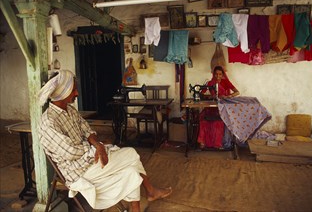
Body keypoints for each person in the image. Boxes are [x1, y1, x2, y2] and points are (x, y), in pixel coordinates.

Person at [37, 70, 172, 212]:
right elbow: (71, 152)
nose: (77, 93)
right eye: (74, 90)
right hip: (79, 171)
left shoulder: (70, 111)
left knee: (131, 172)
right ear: (62, 92)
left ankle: (139, 204)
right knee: (131, 154)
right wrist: (98, 147)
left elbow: (87, 130)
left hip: (88, 161)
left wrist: (97, 144)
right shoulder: (48, 122)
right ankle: (150, 191)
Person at [197, 66, 239, 149]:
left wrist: (228, 96)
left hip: (222, 108)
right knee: (203, 120)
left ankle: (217, 144)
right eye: (216, 74)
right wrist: (208, 96)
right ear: (213, 74)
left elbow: (237, 92)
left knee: (218, 122)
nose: (218, 76)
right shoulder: (210, 83)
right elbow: (202, 93)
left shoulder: (225, 82)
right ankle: (203, 142)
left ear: (223, 74)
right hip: (212, 108)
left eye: (220, 74)